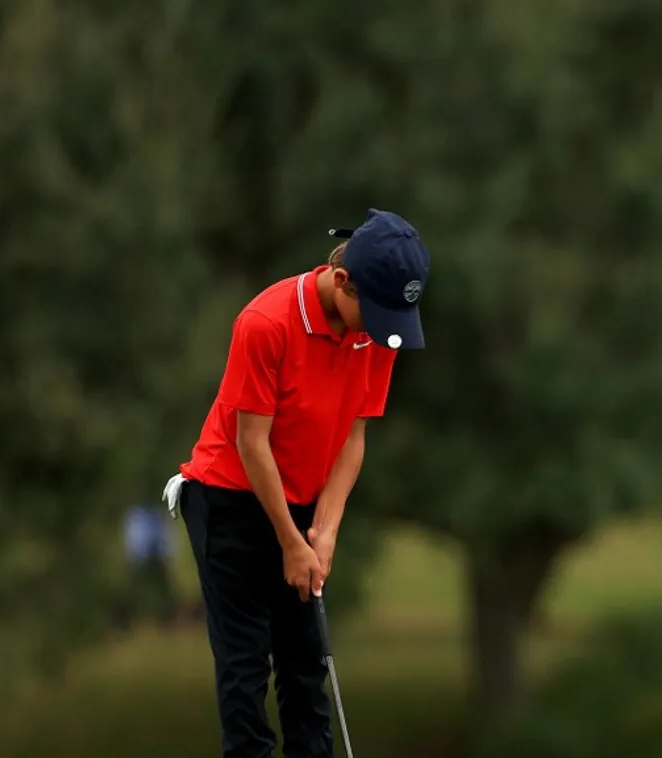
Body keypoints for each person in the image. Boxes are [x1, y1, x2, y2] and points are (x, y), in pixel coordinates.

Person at [162, 208, 429, 758]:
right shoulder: (266, 322)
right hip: (230, 497)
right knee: (245, 667)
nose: (380, 330)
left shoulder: (378, 332)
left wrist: (323, 531)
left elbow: (354, 437)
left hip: (305, 501)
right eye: (374, 313)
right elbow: (251, 443)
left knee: (306, 667)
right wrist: (290, 540)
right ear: (342, 281)